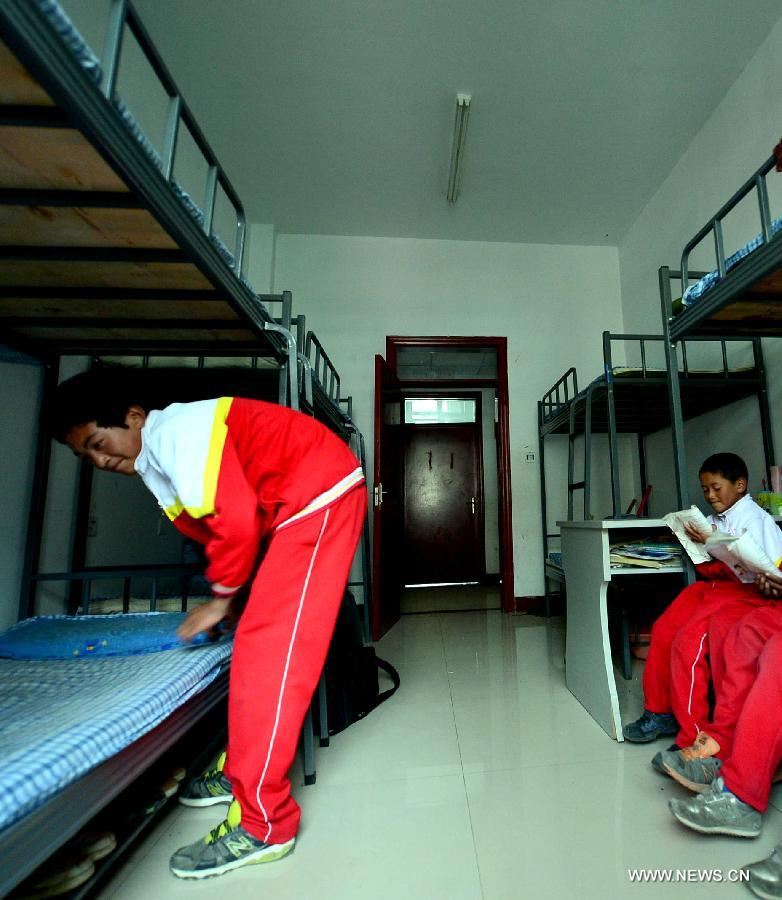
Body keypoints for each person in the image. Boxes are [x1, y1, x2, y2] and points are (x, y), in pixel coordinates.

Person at [53, 371, 367, 880]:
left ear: (133, 418)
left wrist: (221, 598)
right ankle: (239, 771)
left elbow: (237, 521)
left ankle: (266, 824)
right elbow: (221, 525)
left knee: (272, 659)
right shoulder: (157, 461)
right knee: (254, 647)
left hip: (317, 496)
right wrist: (234, 594)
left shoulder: (177, 433)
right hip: (297, 505)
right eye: (86, 456)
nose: (100, 460)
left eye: (98, 443)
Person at [623, 453, 782, 745]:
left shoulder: (757, 518)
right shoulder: (713, 519)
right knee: (663, 629)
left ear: (740, 485)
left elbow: (772, 568)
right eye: (705, 489)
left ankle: (694, 734)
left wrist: (718, 546)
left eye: (716, 488)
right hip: (711, 586)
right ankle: (659, 711)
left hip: (742, 591)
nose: (710, 495)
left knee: (688, 645)